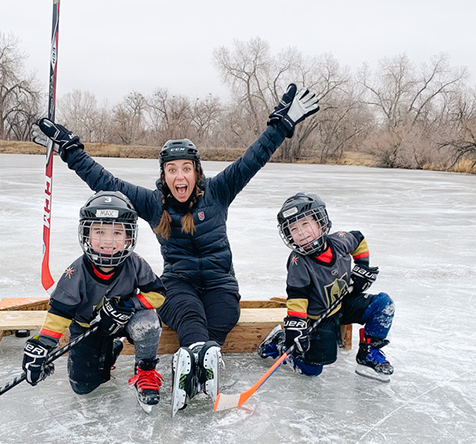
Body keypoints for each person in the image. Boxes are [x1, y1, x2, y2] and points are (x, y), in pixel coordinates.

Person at [32, 84, 320, 415]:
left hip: (220, 283)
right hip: (177, 284)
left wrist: (282, 124)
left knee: (223, 317)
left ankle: (195, 362)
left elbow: (253, 159)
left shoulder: (219, 190)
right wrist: (69, 149)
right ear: (165, 175)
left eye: (186, 168)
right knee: (189, 313)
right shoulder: (153, 204)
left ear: (196, 171)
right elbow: (104, 182)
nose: (179, 175)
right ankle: (199, 358)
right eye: (172, 169)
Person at [21, 191, 166, 412]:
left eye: (117, 232)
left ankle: (145, 371)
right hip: (91, 328)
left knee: (147, 322)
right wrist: (43, 345)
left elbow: (158, 294)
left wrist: (129, 305)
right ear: (87, 234)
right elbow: (59, 313)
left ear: (129, 236)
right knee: (83, 388)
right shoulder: (76, 271)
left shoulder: (135, 263)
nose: (108, 241)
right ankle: (111, 349)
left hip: (125, 319)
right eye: (99, 232)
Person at [258, 193, 395, 382]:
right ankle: (278, 344)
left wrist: (362, 267)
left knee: (383, 304)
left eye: (306, 224)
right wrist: (296, 329)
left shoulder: (339, 241)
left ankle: (368, 354)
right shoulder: (299, 262)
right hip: (317, 318)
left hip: (342, 304)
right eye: (294, 228)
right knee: (312, 370)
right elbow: (297, 297)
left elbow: (359, 239)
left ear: (321, 222)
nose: (301, 232)